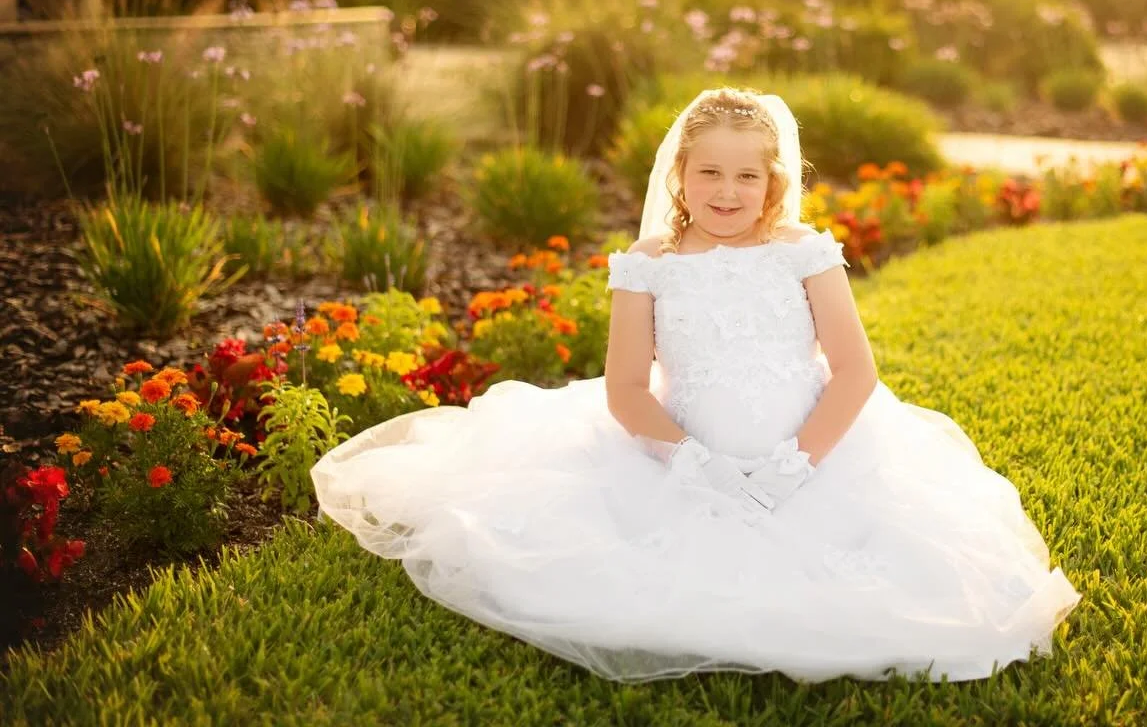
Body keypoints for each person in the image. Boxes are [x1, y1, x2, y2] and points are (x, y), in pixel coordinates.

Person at [310, 86, 1082, 683]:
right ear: (679, 174)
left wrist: (795, 462)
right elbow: (626, 389)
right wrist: (690, 461)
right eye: (709, 171)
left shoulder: (804, 252)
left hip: (816, 451)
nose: (727, 190)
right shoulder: (649, 263)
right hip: (677, 451)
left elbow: (855, 372)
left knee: (895, 584)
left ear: (773, 182)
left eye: (747, 175)